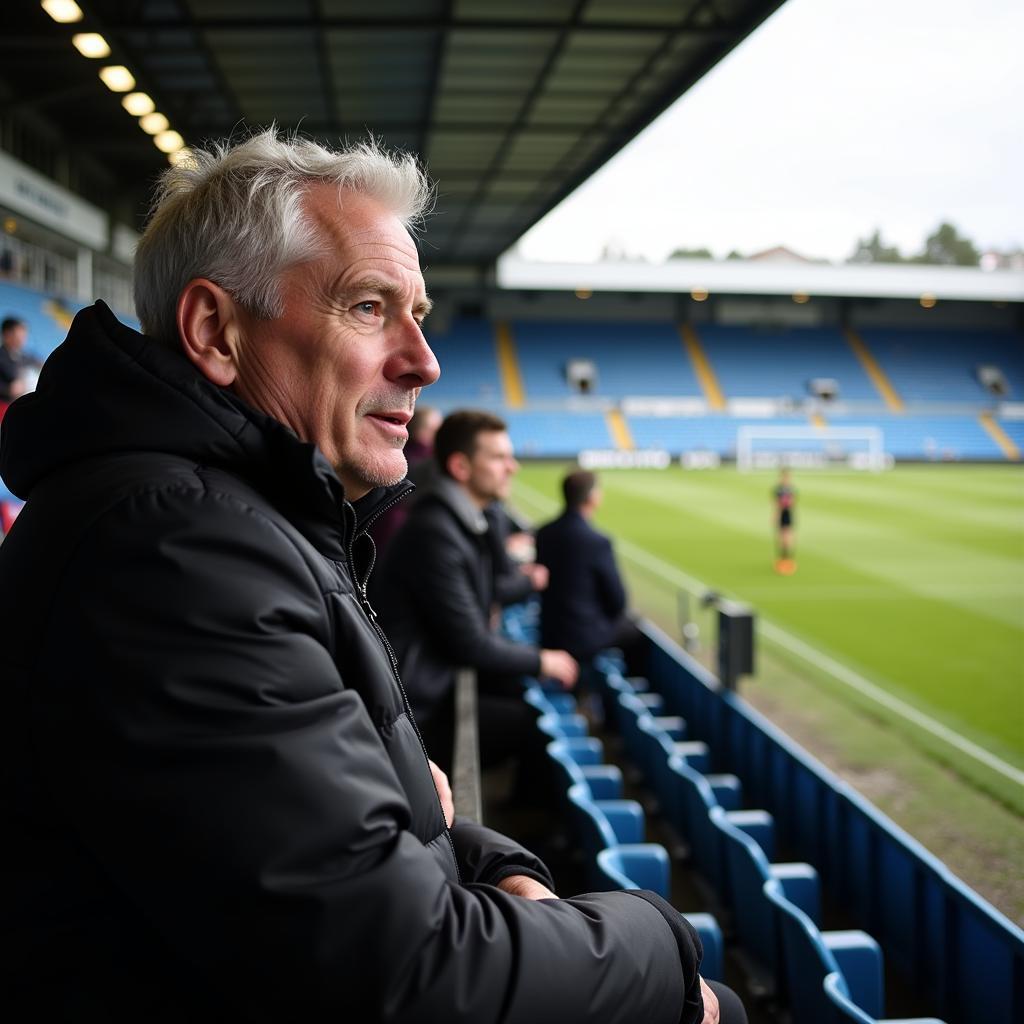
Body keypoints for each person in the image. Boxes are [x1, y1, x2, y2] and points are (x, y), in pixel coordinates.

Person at [0, 129, 739, 1023]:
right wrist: (666, 951)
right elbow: (406, 972)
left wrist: (493, 865)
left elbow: (327, 844)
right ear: (214, 331)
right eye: (367, 307)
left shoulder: (237, 520)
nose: (423, 361)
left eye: (418, 314)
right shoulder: (177, 554)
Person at [372, 410, 576, 775]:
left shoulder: (456, 521)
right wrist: (544, 660)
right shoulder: (437, 531)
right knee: (531, 726)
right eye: (498, 457)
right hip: (411, 709)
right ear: (461, 467)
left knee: (515, 693)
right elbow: (470, 642)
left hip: (428, 687)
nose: (511, 467)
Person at [535, 468, 645, 675]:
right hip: (581, 637)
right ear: (593, 497)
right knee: (635, 633)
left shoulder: (544, 533)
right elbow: (618, 601)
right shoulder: (597, 541)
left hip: (548, 632)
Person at [368, 402, 442, 553]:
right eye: (437, 430)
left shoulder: (396, 453)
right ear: (423, 431)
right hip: (401, 530)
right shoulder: (431, 464)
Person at [0, 316, 33, 405]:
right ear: (7, 334)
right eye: (20, 333)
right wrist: (8, 389)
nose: (24, 337)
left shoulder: (23, 357)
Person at [773, 467, 797, 574]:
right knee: (783, 536)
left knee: (785, 535)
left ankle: (785, 558)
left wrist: (776, 515)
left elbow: (781, 503)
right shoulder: (788, 488)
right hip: (786, 512)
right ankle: (785, 557)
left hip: (785, 513)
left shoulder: (782, 489)